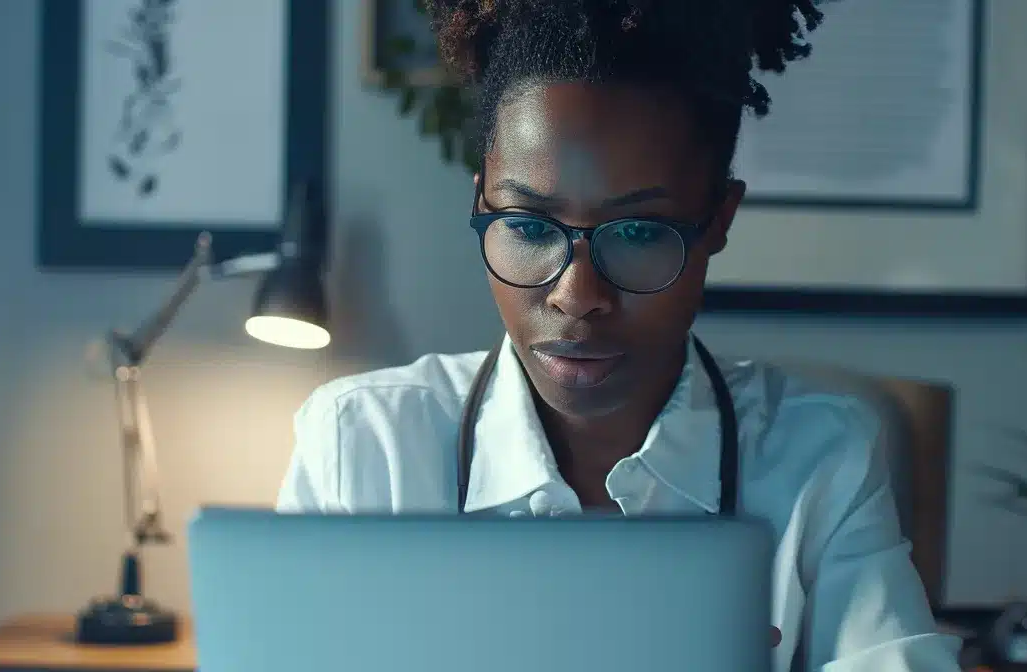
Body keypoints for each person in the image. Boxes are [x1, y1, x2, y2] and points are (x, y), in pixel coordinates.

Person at [276, 1, 961, 669]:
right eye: (528, 226)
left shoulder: (818, 460)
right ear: (480, 202)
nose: (577, 297)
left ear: (718, 220)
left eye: (637, 233)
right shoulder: (363, 449)